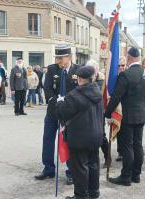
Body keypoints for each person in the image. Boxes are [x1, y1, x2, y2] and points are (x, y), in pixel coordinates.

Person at [53, 66, 103, 199]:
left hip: (80, 137)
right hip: (95, 134)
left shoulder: (74, 95)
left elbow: (62, 113)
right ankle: (94, 192)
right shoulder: (97, 91)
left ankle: (81, 195)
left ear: (79, 79)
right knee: (93, 165)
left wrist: (59, 103)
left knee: (80, 168)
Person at [35, 44, 81, 185]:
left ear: (69, 57)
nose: (58, 61)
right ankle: (48, 168)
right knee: (48, 139)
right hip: (53, 111)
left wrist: (67, 105)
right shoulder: (52, 69)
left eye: (61, 58)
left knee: (69, 142)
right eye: (57, 58)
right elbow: (47, 88)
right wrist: (54, 102)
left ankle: (71, 172)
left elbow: (79, 91)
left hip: (69, 114)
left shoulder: (78, 70)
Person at [104, 47, 145, 186]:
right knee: (137, 145)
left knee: (127, 146)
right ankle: (136, 175)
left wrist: (107, 113)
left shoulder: (126, 75)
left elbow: (117, 96)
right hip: (141, 115)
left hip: (128, 116)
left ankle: (125, 176)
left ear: (129, 57)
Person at [86, 59, 109, 168]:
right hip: (87, 113)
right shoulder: (86, 81)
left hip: (99, 113)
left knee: (101, 135)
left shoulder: (102, 82)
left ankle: (107, 156)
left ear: (96, 71)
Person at [115, 56, 127, 162]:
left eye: (122, 65)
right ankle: (120, 152)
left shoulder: (127, 76)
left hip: (126, 107)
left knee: (125, 131)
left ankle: (124, 152)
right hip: (117, 106)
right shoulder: (114, 76)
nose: (120, 67)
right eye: (118, 65)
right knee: (118, 130)